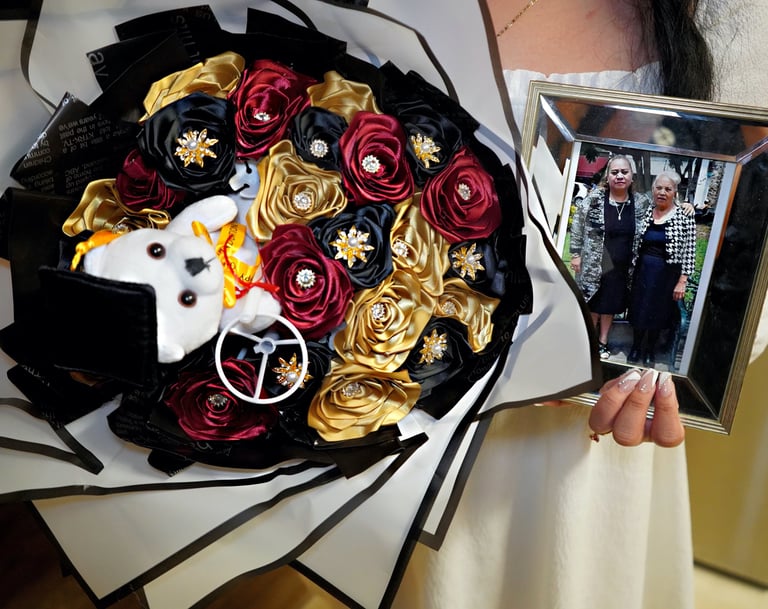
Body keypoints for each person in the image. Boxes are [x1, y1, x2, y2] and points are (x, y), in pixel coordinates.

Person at [570, 155, 648, 360]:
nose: (619, 176)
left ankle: (603, 342)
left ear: (631, 176)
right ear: (608, 176)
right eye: (615, 172)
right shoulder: (595, 199)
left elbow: (663, 209)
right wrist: (576, 254)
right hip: (596, 262)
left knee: (610, 305)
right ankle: (588, 341)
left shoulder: (641, 203)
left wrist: (687, 206)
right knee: (593, 302)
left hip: (622, 266)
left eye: (624, 172)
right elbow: (577, 224)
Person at [628, 171, 696, 366]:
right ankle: (636, 346)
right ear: (653, 190)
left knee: (658, 312)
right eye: (658, 188)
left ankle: (650, 349)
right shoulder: (645, 211)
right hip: (642, 271)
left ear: (675, 192)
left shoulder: (684, 216)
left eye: (668, 189)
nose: (662, 192)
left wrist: (682, 281)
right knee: (639, 309)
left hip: (667, 274)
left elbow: (689, 250)